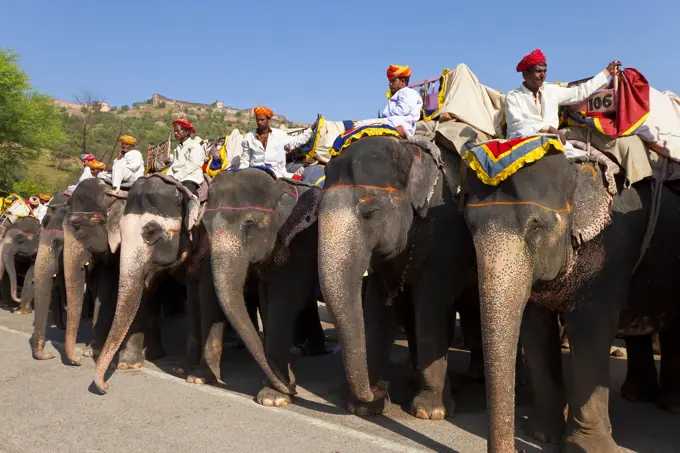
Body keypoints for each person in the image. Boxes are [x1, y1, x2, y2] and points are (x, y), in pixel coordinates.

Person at [505, 48, 621, 158]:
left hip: (554, 141)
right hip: (523, 142)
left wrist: (606, 73)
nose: (543, 76)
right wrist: (547, 128)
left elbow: (578, 93)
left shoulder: (551, 90)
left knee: (580, 162)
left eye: (545, 71)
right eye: (539, 71)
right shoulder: (514, 96)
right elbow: (517, 124)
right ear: (525, 74)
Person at [240, 106, 317, 178]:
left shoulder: (279, 135)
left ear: (268, 120)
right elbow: (245, 160)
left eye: (262, 120)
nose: (259, 122)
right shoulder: (249, 137)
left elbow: (295, 141)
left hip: (277, 175)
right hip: (256, 174)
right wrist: (242, 175)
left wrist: (310, 130)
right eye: (257, 120)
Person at [355, 65, 423, 138]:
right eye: (389, 81)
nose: (390, 84)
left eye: (393, 81)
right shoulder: (398, 94)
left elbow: (403, 110)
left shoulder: (409, 92)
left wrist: (385, 114)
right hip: (393, 121)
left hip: (400, 122)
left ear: (402, 81)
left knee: (360, 124)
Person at [165, 119, 205, 196]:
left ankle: (193, 206)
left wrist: (176, 177)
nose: (175, 133)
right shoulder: (177, 148)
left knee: (186, 194)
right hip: (178, 176)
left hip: (191, 176)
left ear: (186, 132)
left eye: (177, 131)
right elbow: (174, 164)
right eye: (174, 131)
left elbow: (192, 165)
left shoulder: (194, 145)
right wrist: (167, 175)